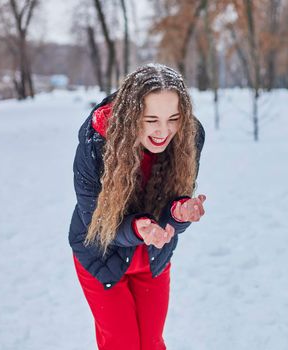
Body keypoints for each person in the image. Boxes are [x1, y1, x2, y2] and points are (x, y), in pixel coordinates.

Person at [68, 63, 206, 350]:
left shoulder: (189, 137)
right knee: (123, 344)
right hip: (101, 253)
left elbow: (175, 197)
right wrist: (138, 227)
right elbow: (96, 218)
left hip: (153, 256)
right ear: (131, 115)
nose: (163, 131)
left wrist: (180, 213)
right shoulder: (96, 141)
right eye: (151, 119)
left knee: (152, 344)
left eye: (174, 118)